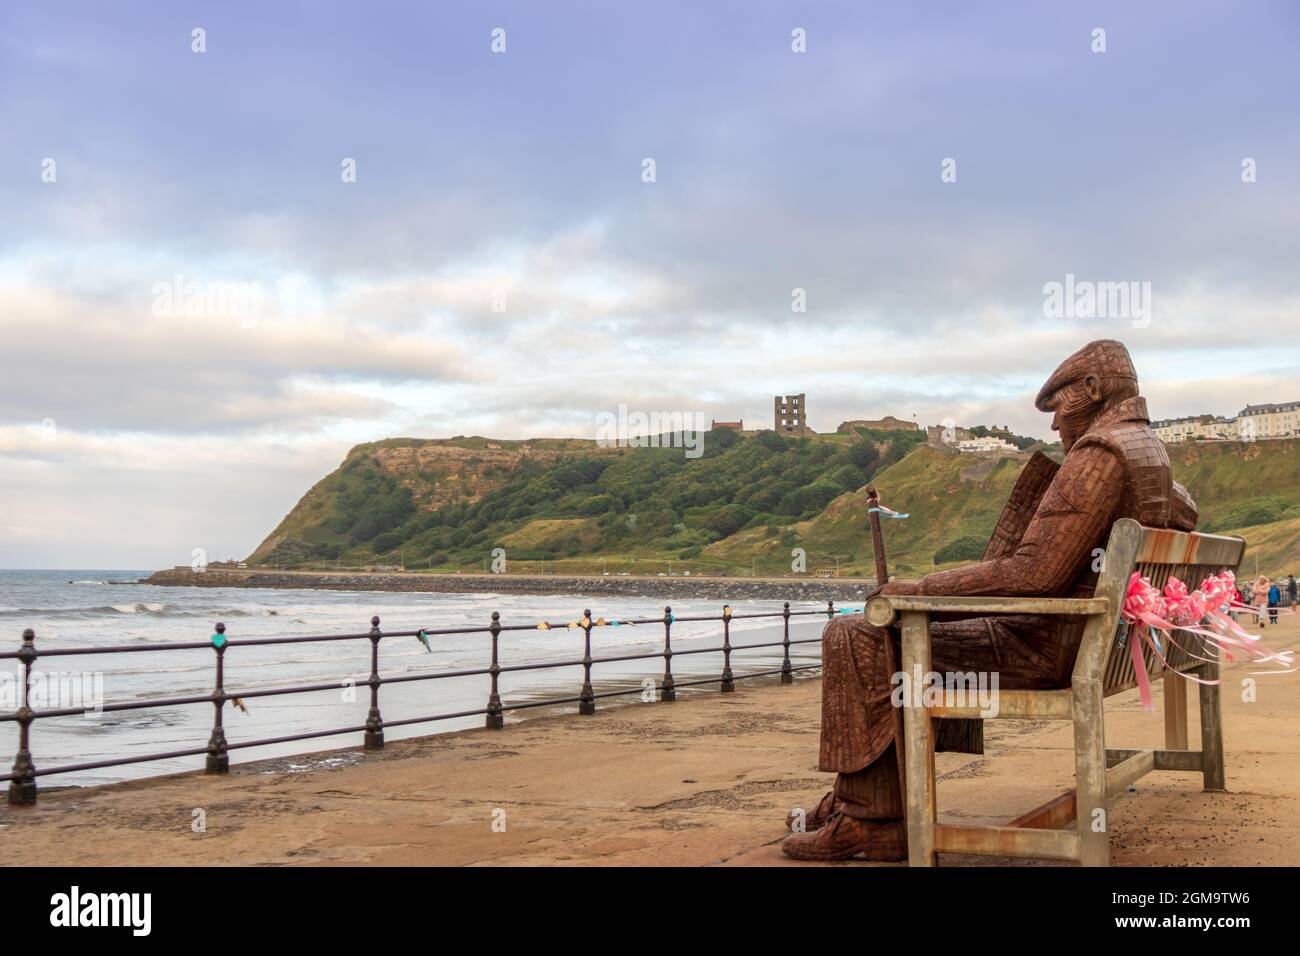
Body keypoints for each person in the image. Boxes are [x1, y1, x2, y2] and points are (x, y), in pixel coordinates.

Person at [781, 339, 1198, 861]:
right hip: (1093, 640)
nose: (1052, 426)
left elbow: (1036, 575)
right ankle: (860, 799)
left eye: (1058, 405)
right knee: (893, 636)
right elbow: (1186, 514)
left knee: (856, 633)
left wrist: (913, 590)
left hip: (1047, 648)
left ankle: (871, 817)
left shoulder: (1100, 453)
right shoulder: (1146, 449)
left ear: (1092, 390)